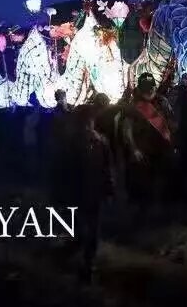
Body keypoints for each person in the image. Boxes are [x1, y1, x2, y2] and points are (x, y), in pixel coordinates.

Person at [62, 104, 115, 285]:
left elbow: (107, 169)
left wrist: (109, 189)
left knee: (90, 228)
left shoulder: (98, 142)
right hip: (83, 192)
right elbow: (66, 170)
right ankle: (84, 259)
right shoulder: (75, 142)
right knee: (86, 227)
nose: (88, 124)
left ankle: (87, 263)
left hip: (89, 192)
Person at [120, 73, 177, 227]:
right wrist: (134, 149)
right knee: (144, 187)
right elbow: (127, 129)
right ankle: (143, 218)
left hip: (163, 150)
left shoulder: (162, 102)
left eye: (152, 87)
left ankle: (163, 216)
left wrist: (173, 140)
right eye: (146, 88)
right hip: (143, 152)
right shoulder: (133, 106)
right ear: (139, 89)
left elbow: (171, 122)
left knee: (164, 184)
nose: (150, 91)